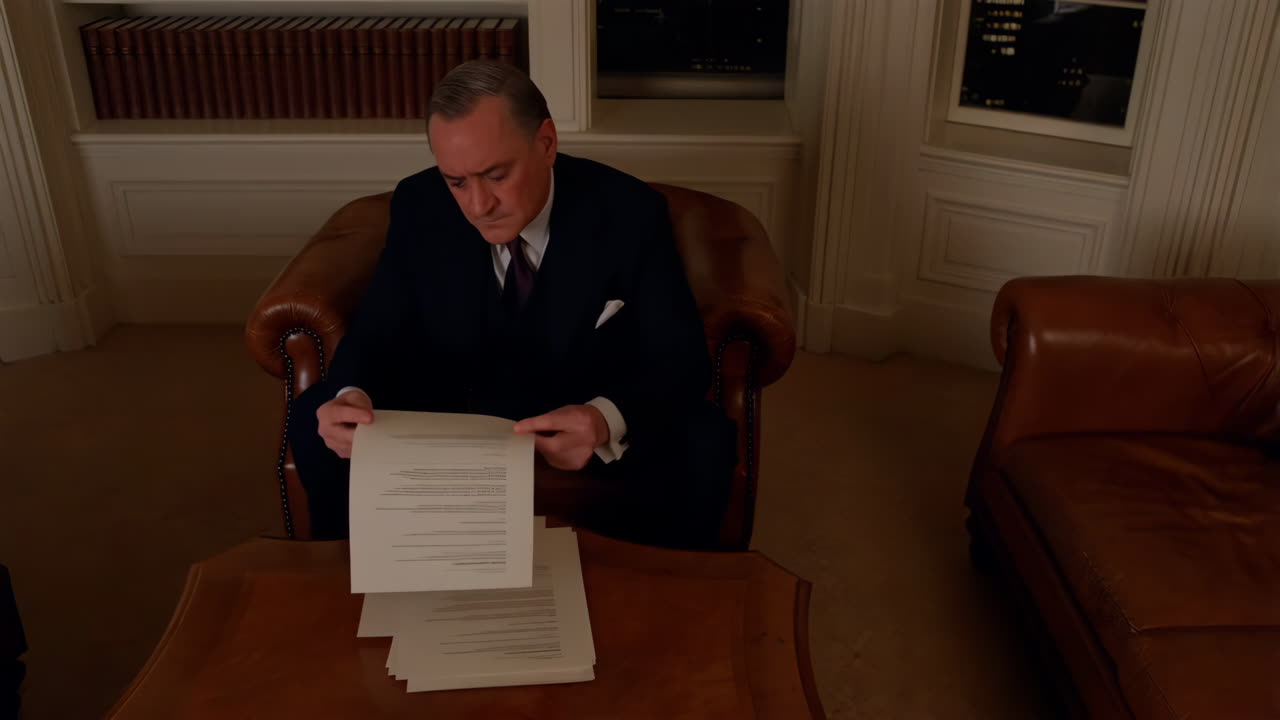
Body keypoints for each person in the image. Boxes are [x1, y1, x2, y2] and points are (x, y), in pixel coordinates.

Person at [288, 61, 736, 548]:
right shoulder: (420, 202)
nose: (478, 204)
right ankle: (344, 589)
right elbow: (378, 327)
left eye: (496, 175)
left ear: (546, 142)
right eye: (457, 181)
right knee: (317, 417)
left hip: (576, 412)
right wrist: (352, 393)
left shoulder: (628, 211)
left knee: (704, 440)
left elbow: (681, 357)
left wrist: (603, 419)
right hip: (449, 411)